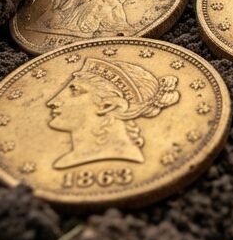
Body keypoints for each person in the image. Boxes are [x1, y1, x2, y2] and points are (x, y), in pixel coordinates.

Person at [44, 57, 180, 169]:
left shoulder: (122, 158)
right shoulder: (65, 161)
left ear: (107, 105)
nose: (52, 102)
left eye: (75, 91)